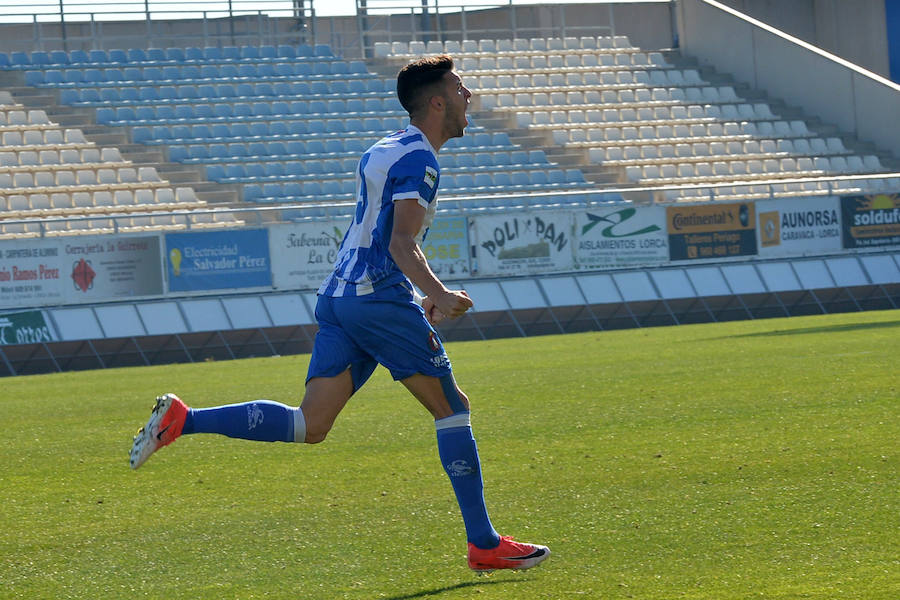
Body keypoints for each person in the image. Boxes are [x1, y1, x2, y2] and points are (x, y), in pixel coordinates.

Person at [130, 55, 550, 573]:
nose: (470, 98)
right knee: (452, 408)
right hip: (375, 300)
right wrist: (438, 295)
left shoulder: (386, 147)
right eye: (461, 89)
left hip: (341, 297)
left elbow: (380, 236)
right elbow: (399, 242)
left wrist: (413, 293)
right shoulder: (421, 161)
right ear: (437, 101)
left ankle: (184, 421)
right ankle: (483, 543)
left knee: (311, 424)